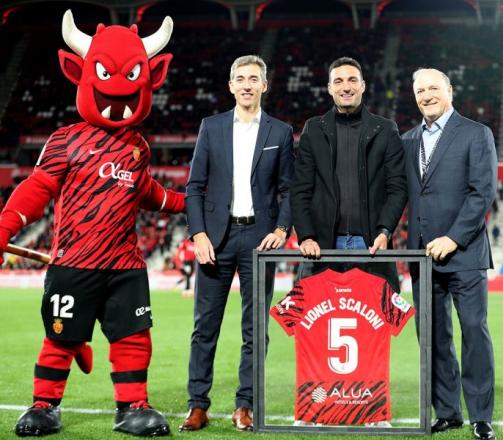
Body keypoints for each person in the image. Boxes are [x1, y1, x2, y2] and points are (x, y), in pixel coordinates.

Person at [0, 11, 184, 437]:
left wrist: (188, 201)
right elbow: (37, 187)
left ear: (149, 78)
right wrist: (6, 225)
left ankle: (132, 407)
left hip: (125, 266)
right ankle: (45, 406)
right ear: (76, 72)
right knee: (61, 338)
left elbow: (149, 193)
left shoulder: (138, 146)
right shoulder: (64, 139)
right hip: (74, 263)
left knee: (134, 338)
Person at [181, 55, 294, 432]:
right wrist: (198, 234)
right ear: (230, 86)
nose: (246, 84)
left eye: (254, 79)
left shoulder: (279, 132)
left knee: (255, 329)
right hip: (216, 238)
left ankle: (245, 404)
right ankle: (198, 405)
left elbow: (289, 190)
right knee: (204, 327)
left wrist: (281, 230)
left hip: (259, 241)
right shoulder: (210, 128)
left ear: (265, 85)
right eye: (240, 78)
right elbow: (194, 187)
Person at [401, 68, 497, 440]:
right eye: (420, 90)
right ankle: (448, 410)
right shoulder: (408, 140)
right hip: (422, 257)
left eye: (433, 88)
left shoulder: (476, 133)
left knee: (474, 331)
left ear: (449, 91)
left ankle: (480, 416)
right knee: (433, 336)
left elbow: (482, 192)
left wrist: (453, 238)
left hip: (465, 252)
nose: (426, 95)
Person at [290, 57, 406, 288]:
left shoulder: (386, 130)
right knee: (321, 322)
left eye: (353, 80)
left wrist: (384, 231)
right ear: (330, 88)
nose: (346, 87)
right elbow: (300, 188)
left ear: (362, 85)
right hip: (322, 247)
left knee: (377, 322)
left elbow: (398, 187)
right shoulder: (313, 129)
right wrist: (306, 236)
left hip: (372, 244)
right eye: (339, 81)